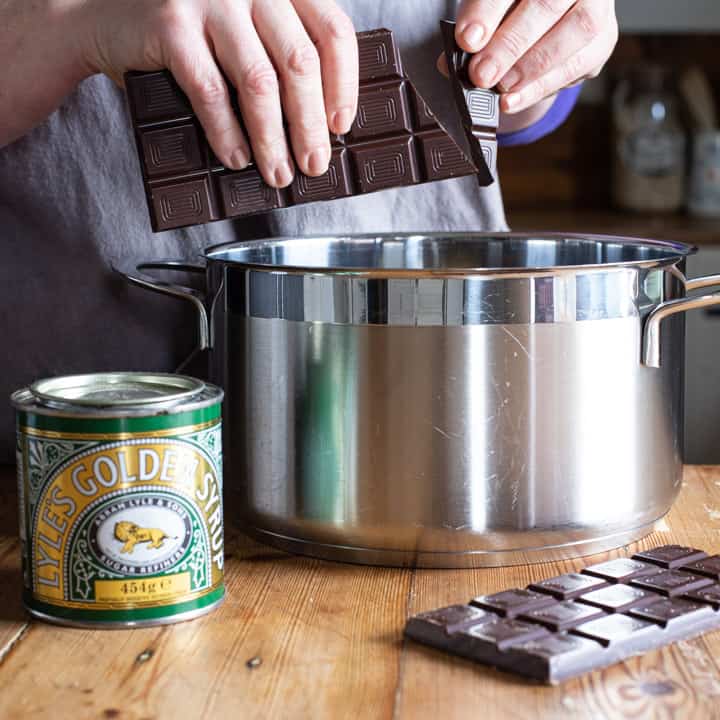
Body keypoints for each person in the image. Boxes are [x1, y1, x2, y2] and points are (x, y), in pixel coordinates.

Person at [0, 0, 619, 462]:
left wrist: (536, 55)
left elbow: (513, 99)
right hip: (70, 465)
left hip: (437, 442)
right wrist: (67, 21)